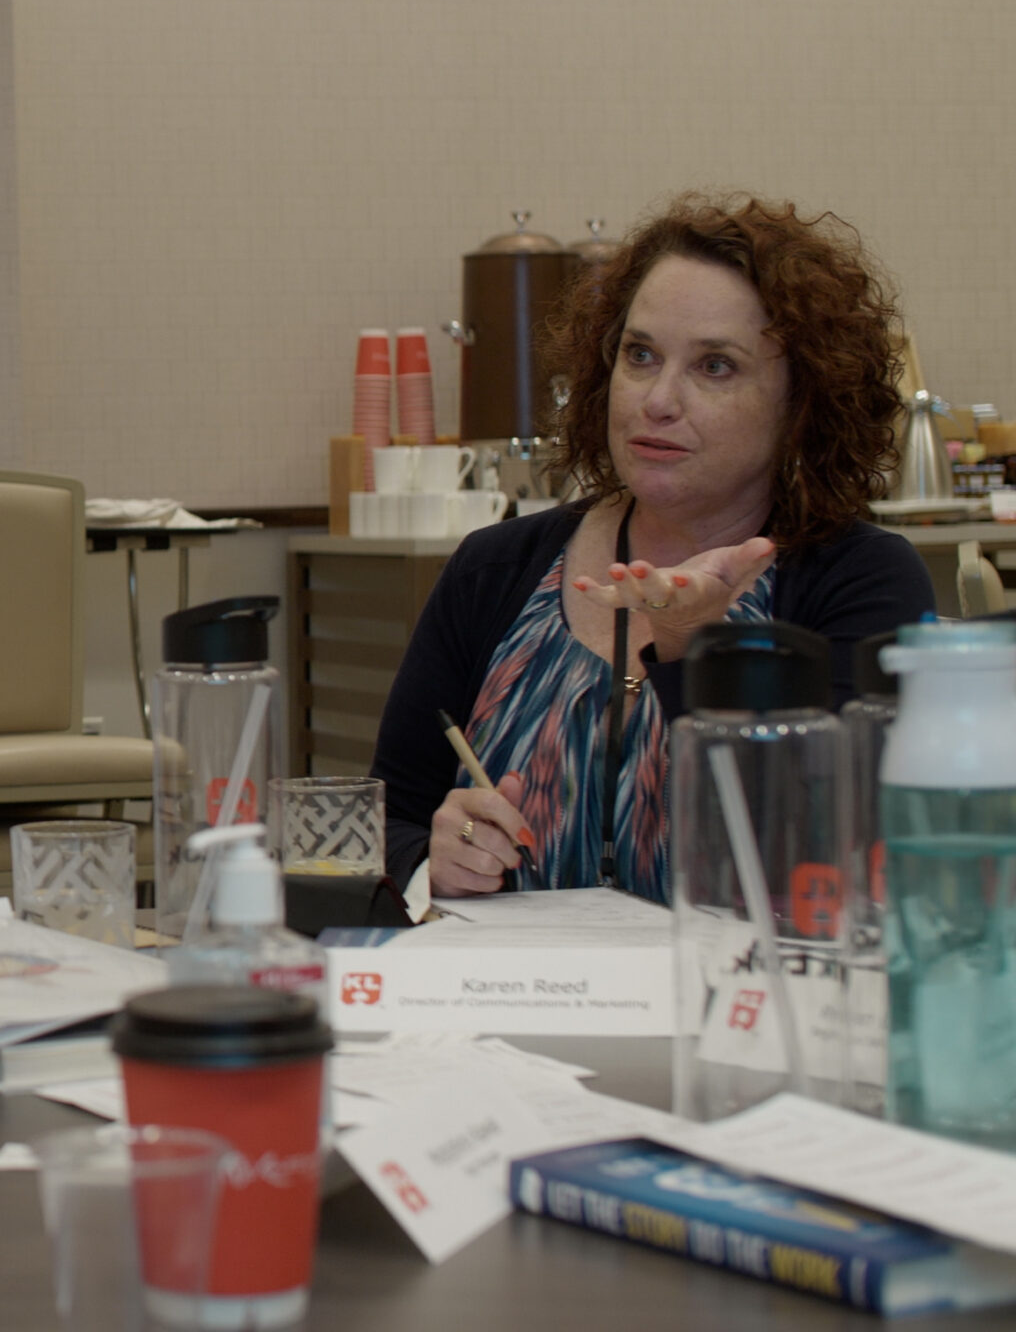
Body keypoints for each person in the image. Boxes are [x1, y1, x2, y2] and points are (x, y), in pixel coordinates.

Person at [372, 194, 933, 902]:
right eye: (640, 356)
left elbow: (838, 864)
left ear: (801, 407)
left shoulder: (858, 580)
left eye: (715, 367)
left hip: (741, 1004)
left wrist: (693, 652)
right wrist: (432, 861)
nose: (658, 399)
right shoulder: (496, 568)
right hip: (512, 1004)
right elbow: (384, 820)